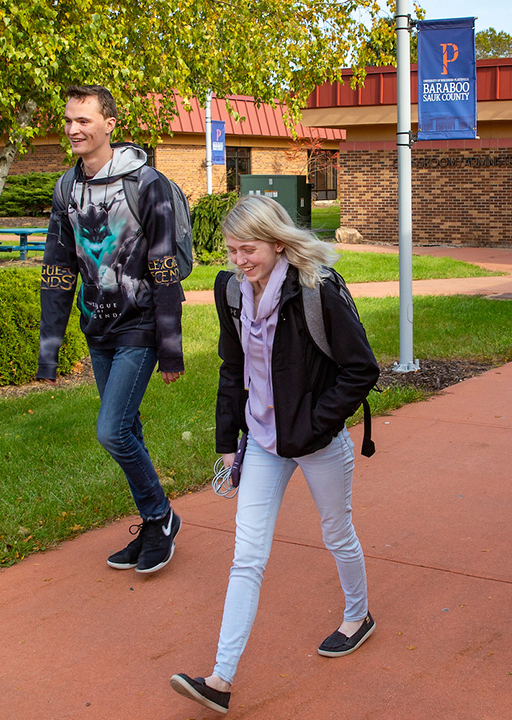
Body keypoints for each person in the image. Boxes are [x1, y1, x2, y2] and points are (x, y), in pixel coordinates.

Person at [170, 195, 380, 714]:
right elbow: (230, 367)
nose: (239, 260)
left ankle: (359, 614)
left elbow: (361, 369)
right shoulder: (233, 293)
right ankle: (220, 678)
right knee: (247, 557)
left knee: (337, 532)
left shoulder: (316, 289)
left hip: (316, 440)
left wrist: (312, 425)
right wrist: (226, 443)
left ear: (278, 242)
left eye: (249, 249)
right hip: (263, 442)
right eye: (232, 250)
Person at [37, 85, 184, 574]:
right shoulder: (66, 189)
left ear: (110, 125)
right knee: (130, 429)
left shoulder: (147, 184)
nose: (74, 130)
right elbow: (57, 270)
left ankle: (161, 517)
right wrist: (50, 348)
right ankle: (152, 522)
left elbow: (164, 268)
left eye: (84, 120)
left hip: (139, 326)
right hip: (96, 328)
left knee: (112, 431)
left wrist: (171, 347)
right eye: (69, 121)